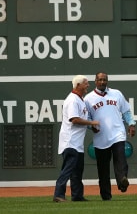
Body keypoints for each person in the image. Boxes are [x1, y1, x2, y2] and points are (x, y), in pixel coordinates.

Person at [84, 72, 136, 201]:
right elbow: (87, 118)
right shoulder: (88, 99)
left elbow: (126, 111)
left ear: (107, 81)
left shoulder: (116, 93)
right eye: (100, 80)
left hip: (117, 133)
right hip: (101, 137)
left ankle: (122, 181)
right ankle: (106, 196)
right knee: (103, 169)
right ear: (95, 81)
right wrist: (91, 127)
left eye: (104, 80)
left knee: (121, 159)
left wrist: (131, 124)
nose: (102, 82)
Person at [53, 75, 100, 203]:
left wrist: (91, 127)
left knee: (77, 172)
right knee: (67, 170)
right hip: (70, 142)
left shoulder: (80, 100)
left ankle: (77, 195)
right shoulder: (73, 100)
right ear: (78, 85)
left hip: (77, 144)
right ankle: (58, 194)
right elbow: (74, 119)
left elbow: (79, 120)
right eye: (86, 83)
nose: (88, 86)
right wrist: (92, 123)